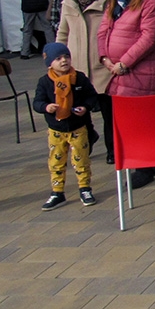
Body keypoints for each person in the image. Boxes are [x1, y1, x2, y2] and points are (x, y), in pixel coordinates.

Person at [97, 0, 155, 188]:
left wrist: (124, 62)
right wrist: (104, 57)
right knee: (131, 120)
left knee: (141, 120)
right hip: (117, 70)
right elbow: (103, 30)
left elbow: (150, 37)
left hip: (140, 68)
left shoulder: (151, 0)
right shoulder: (115, 0)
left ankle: (145, 167)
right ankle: (154, 162)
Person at [57, 0, 114, 163]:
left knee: (109, 113)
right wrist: (58, 57)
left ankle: (112, 149)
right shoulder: (68, 2)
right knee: (79, 111)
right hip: (77, 65)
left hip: (102, 66)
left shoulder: (108, 2)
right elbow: (63, 31)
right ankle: (87, 140)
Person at [32, 43, 98, 210]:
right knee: (56, 161)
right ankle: (57, 192)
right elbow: (37, 102)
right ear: (49, 64)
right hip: (56, 129)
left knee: (81, 160)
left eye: (66, 57)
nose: (64, 61)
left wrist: (85, 107)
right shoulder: (45, 82)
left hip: (78, 127)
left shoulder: (79, 78)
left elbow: (92, 96)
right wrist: (46, 107)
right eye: (58, 58)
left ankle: (85, 188)